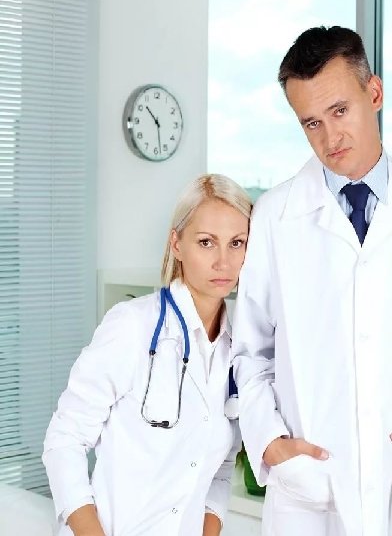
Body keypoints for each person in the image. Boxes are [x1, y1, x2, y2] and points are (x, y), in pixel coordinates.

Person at [232, 26, 392, 536]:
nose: (330, 139)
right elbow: (251, 351)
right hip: (307, 490)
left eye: (340, 111)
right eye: (311, 123)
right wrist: (270, 443)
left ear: (374, 93)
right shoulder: (274, 216)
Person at [43, 174, 251, 536]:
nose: (223, 261)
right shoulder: (132, 326)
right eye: (206, 242)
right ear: (177, 244)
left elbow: (219, 469)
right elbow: (64, 441)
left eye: (237, 243)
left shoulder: (239, 348)